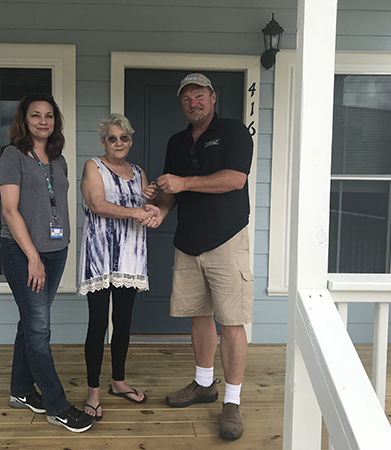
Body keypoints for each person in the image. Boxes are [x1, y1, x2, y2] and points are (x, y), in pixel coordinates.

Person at [143, 74, 254, 441]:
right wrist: (158, 209)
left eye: (199, 95)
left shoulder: (235, 131)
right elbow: (171, 193)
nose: (194, 102)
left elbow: (235, 179)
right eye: (187, 98)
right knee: (200, 316)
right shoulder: (176, 142)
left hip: (226, 239)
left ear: (212, 97)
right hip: (188, 242)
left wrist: (183, 182)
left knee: (232, 321)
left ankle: (233, 402)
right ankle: (204, 384)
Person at [0, 92, 95, 433]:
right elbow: (10, 210)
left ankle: (21, 390)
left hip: (56, 252)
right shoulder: (13, 156)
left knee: (30, 323)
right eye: (36, 115)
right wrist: (33, 257)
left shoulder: (58, 158)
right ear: (24, 120)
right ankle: (57, 406)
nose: (43, 121)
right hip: (24, 254)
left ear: (55, 122)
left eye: (49, 115)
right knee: (39, 330)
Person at [78, 113, 159, 421]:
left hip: (130, 256)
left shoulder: (138, 172)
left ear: (130, 140)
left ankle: (118, 381)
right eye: (112, 138)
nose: (118, 143)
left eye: (123, 137)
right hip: (101, 255)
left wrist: (150, 203)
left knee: (123, 322)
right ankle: (93, 391)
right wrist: (138, 210)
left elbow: (144, 207)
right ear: (103, 142)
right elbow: (97, 204)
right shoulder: (93, 166)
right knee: (98, 323)